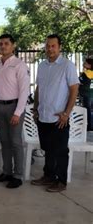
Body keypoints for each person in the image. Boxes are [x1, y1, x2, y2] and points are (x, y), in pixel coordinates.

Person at [31, 35, 79, 192]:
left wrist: (66, 113)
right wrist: (36, 108)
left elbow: (74, 89)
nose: (50, 49)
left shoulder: (67, 66)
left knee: (60, 151)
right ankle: (49, 176)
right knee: (48, 149)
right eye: (47, 46)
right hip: (43, 116)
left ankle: (61, 181)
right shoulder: (42, 66)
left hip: (59, 117)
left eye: (53, 46)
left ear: (59, 47)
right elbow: (39, 88)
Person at [0, 34, 29, 189]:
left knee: (15, 142)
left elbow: (25, 90)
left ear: (13, 45)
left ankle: (18, 175)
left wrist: (18, 112)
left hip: (14, 107)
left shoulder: (20, 65)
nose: (3, 46)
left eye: (6, 43)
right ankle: (6, 172)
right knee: (4, 142)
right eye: (1, 43)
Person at [79, 58, 93, 131]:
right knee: (90, 111)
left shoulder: (86, 73)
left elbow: (78, 81)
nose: (84, 63)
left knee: (87, 111)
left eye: (85, 63)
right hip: (91, 94)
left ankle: (89, 126)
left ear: (89, 65)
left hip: (86, 95)